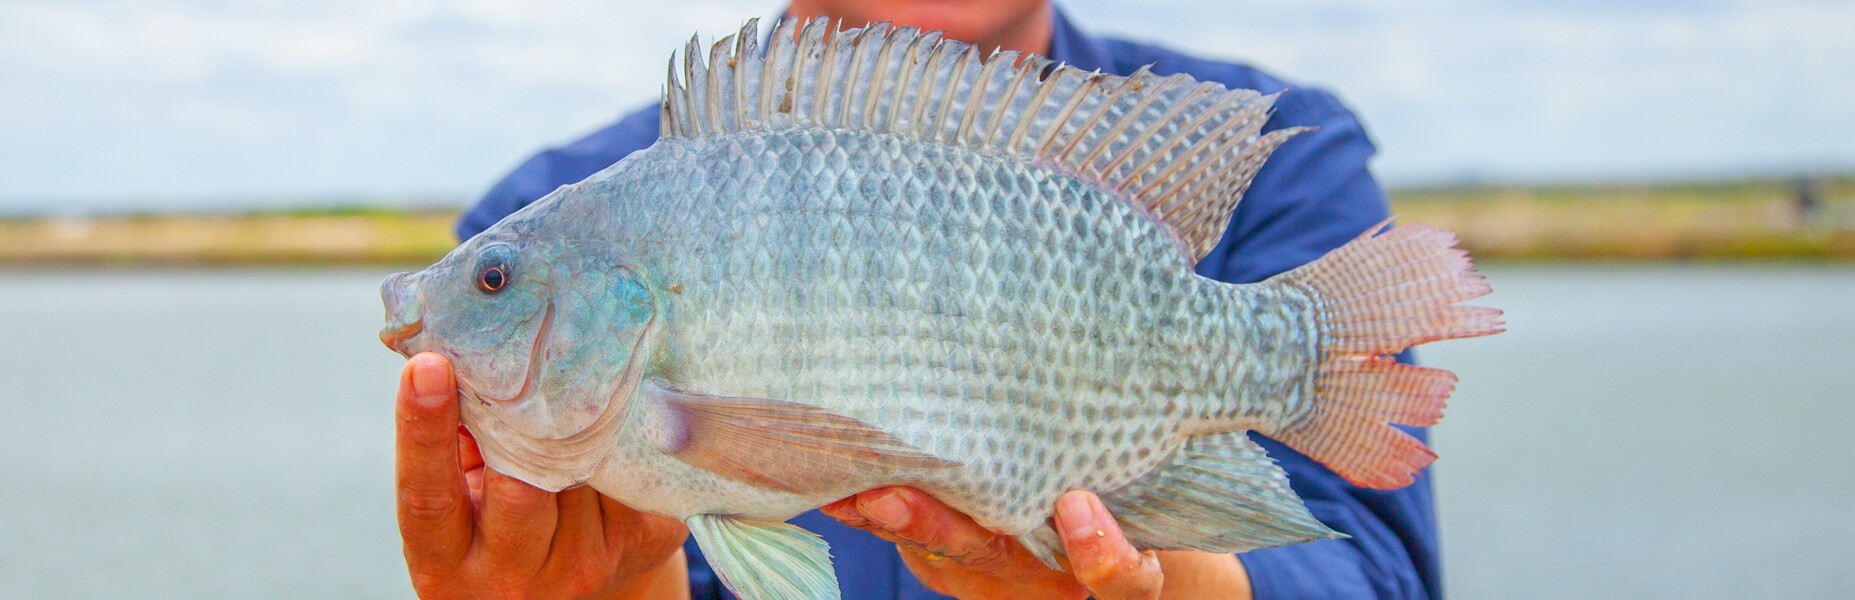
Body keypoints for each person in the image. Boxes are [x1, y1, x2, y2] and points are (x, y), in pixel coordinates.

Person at [395, 2, 1441, 598]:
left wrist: (1178, 586)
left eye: (495, 284)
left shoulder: (1294, 163)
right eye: (495, 283)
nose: (489, 292)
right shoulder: (547, 213)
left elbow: (1372, 571)